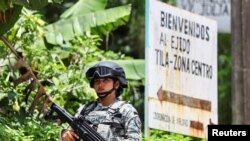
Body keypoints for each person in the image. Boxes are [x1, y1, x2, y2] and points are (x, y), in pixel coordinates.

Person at [61, 60, 142, 141]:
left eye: (106, 80)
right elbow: (70, 133)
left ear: (116, 84)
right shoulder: (84, 110)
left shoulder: (126, 111)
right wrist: (65, 135)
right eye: (97, 81)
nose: (100, 85)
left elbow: (135, 139)